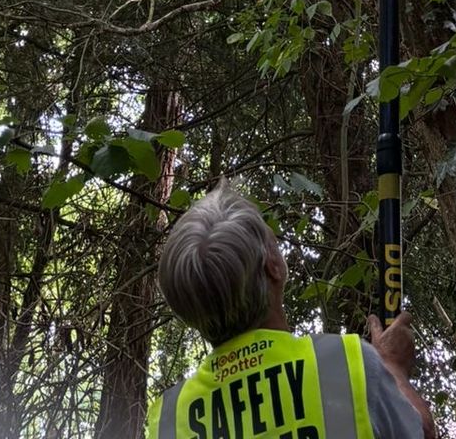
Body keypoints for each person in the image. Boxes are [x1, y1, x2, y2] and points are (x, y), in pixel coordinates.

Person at [147, 183, 438, 439]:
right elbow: (420, 432)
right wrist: (393, 367)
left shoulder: (169, 420)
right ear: (272, 266)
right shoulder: (345, 366)